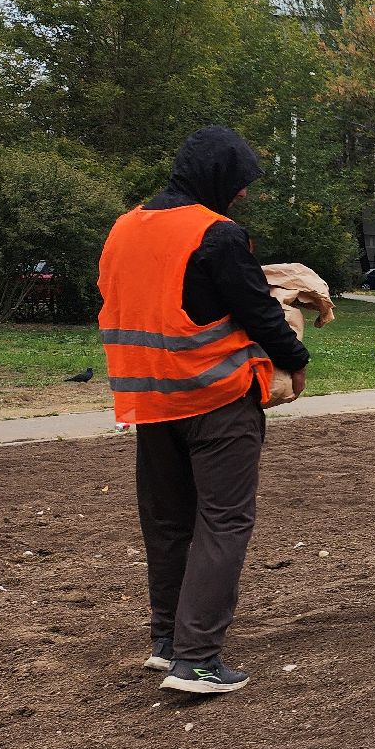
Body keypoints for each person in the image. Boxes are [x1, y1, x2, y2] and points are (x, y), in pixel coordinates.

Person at [97, 126, 310, 695]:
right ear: (217, 177)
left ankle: (167, 644)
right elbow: (258, 313)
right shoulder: (216, 234)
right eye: (238, 183)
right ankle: (199, 659)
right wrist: (296, 359)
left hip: (149, 401)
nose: (241, 194)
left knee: (168, 523)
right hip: (216, 398)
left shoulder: (124, 229)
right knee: (225, 519)